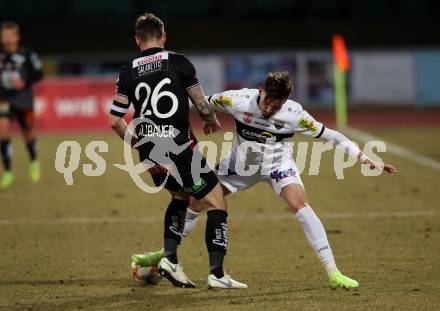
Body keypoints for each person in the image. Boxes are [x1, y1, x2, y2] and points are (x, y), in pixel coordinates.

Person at [142, 71, 397, 289]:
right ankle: (164, 256)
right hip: (240, 165)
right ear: (260, 91)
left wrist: (365, 159)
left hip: (278, 165)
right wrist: (168, 120)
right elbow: (201, 102)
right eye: (266, 102)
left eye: (276, 106)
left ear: (285, 101)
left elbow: (333, 136)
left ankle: (334, 273)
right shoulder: (238, 99)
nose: (268, 109)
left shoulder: (295, 114)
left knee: (300, 205)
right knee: (196, 201)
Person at [109, 12, 247, 289]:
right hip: (178, 146)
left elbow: (115, 120)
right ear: (163, 36)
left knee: (180, 196)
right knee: (217, 202)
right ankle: (217, 275)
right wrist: (210, 118)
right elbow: (200, 101)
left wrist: (135, 142)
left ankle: (170, 259)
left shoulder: (127, 70)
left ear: (137, 40)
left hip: (149, 150)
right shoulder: (178, 62)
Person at [0, 22, 43, 189]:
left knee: (28, 131)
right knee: (2, 130)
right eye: (4, 36)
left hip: (24, 100)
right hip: (4, 99)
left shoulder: (27, 55)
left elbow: (39, 74)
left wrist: (24, 82)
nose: (7, 39)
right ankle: (8, 171)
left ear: (17, 37)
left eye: (10, 35)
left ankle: (33, 160)